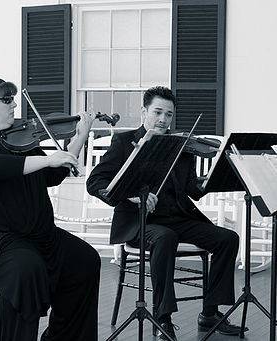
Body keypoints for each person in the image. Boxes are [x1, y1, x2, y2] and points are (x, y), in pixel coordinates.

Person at [0, 76, 101, 341]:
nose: (14, 106)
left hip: (24, 234)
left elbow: (52, 175)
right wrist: (45, 161)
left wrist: (80, 137)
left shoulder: (17, 139)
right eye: (7, 100)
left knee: (84, 260)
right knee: (24, 269)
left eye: (13, 100)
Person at [86, 86, 244, 340]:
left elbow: (191, 188)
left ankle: (210, 313)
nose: (163, 119)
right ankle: (162, 318)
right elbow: (95, 183)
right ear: (144, 112)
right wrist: (130, 195)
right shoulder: (124, 142)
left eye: (168, 114)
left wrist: (204, 183)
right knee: (165, 237)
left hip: (178, 217)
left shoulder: (181, 145)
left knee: (227, 238)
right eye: (157, 112)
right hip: (140, 222)